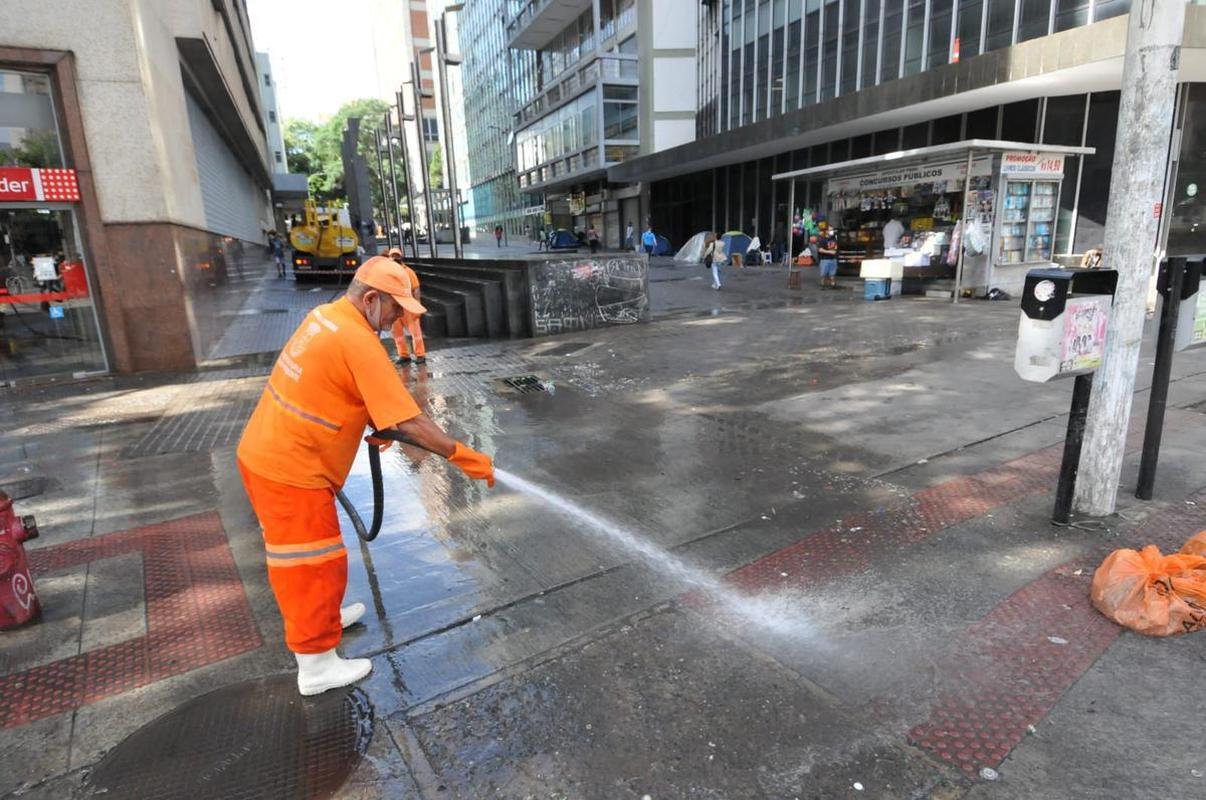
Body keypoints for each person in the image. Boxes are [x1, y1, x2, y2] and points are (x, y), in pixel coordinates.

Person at [237, 256, 494, 697]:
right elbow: (413, 423)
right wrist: (463, 455)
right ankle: (316, 665)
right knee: (309, 565)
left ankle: (327, 620)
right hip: (290, 470)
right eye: (395, 310)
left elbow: (338, 386)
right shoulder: (356, 340)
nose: (397, 320)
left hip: (275, 455)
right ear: (371, 299)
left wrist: (378, 420)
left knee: (324, 556)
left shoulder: (327, 318)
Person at [386, 248, 427, 365]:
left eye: (397, 256)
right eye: (393, 256)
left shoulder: (409, 272)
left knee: (416, 332)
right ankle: (403, 355)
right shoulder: (387, 274)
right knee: (397, 334)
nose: (395, 258)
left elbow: (416, 289)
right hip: (394, 307)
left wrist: (417, 306)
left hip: (408, 307)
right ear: (389, 258)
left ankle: (420, 355)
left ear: (401, 257)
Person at [817, 223, 839, 289]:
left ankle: (833, 285)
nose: (832, 232)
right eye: (830, 230)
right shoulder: (823, 240)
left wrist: (832, 252)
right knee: (823, 274)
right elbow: (820, 249)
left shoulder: (834, 239)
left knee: (832, 274)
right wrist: (829, 252)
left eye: (832, 230)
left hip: (833, 259)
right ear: (826, 231)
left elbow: (835, 250)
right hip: (824, 259)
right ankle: (822, 285)